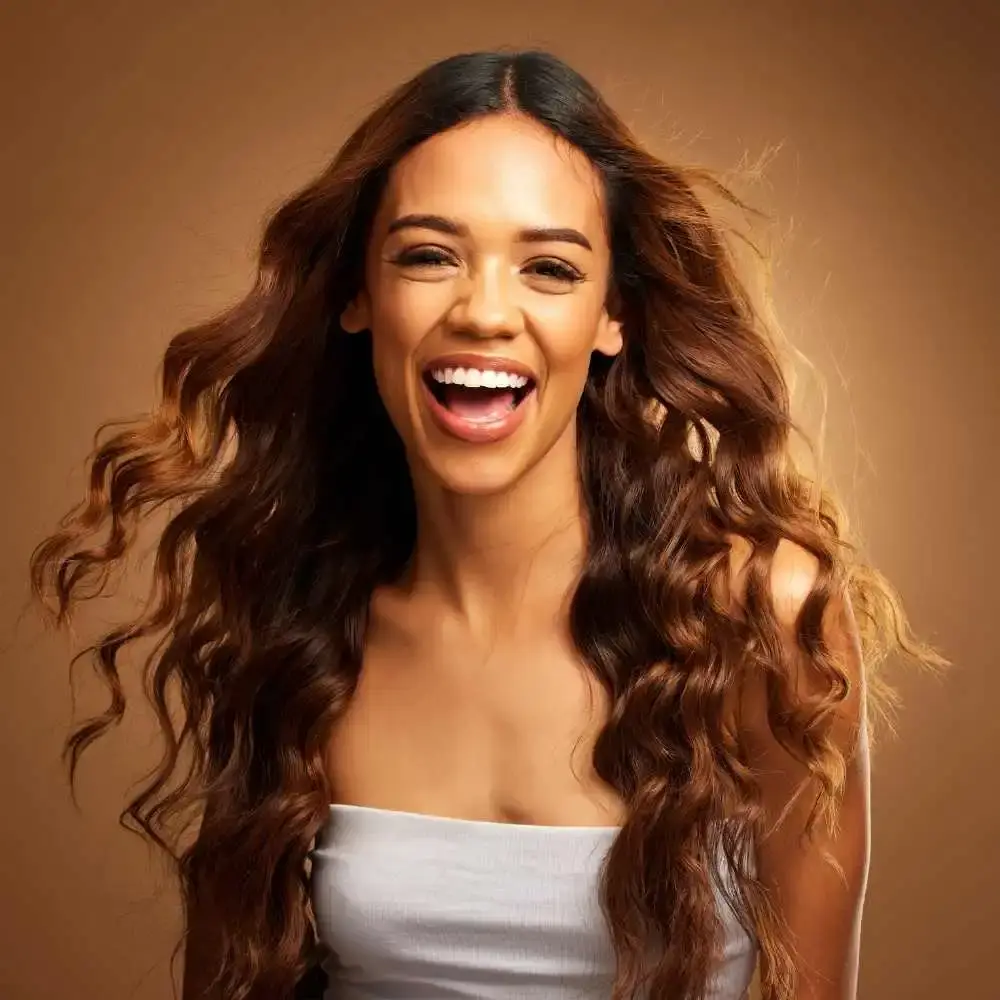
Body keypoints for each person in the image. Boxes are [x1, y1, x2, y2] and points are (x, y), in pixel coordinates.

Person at [30, 49, 940, 1000]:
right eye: (429, 255)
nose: (485, 313)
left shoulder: (764, 616)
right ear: (357, 294)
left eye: (549, 267)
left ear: (612, 314)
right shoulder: (290, 622)